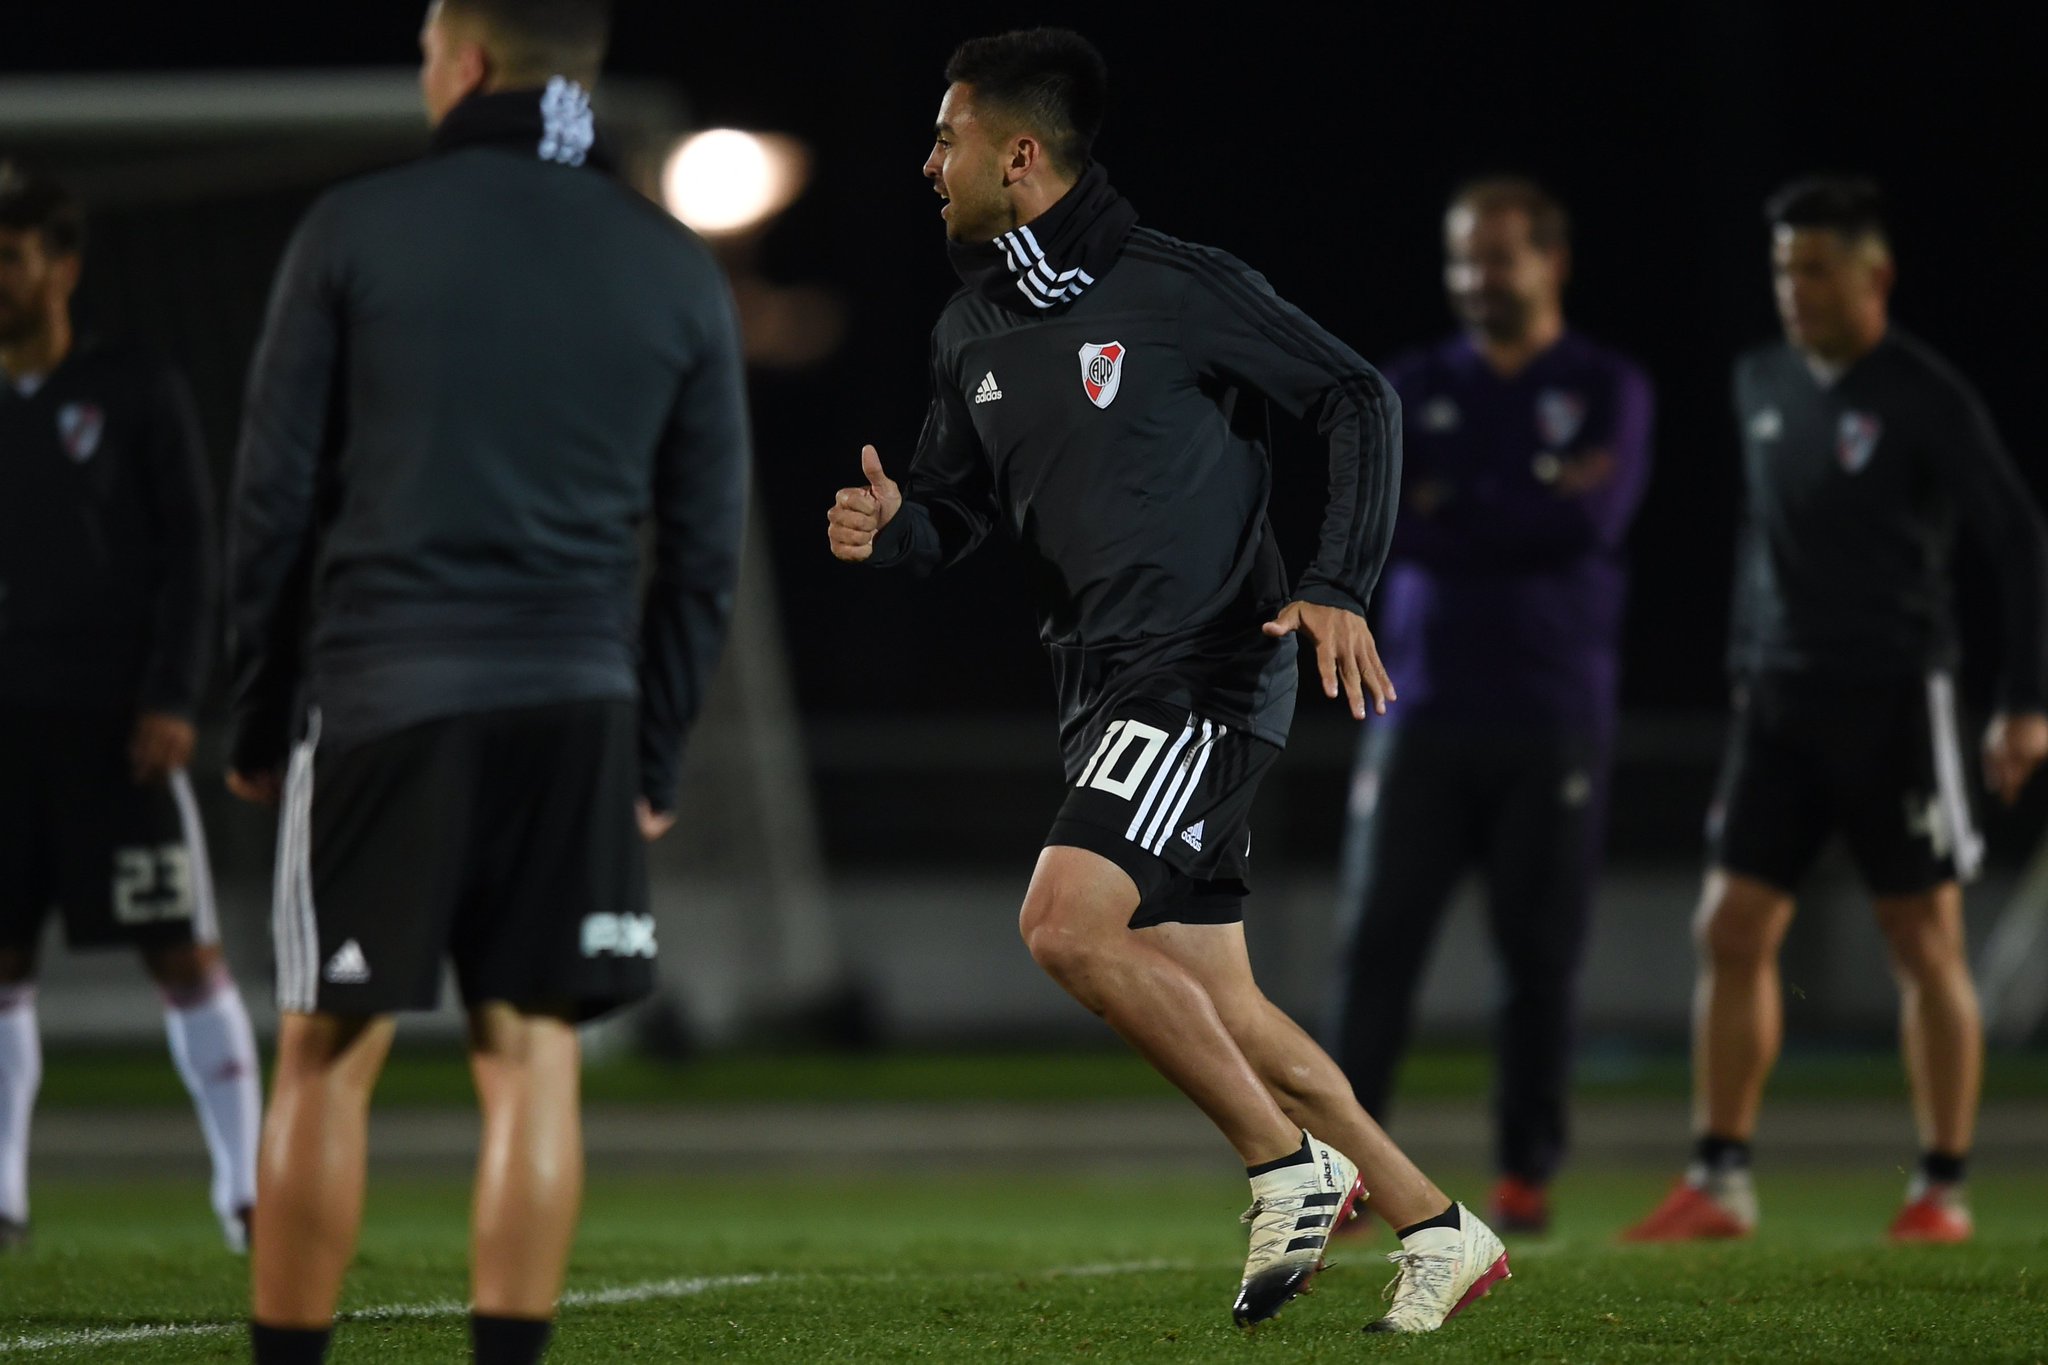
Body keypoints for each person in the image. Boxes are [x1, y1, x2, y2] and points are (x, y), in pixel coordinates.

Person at [827, 27, 1509, 1334]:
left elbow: (1356, 397)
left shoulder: (1177, 286)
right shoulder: (969, 326)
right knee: (1221, 1003)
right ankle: (1436, 1226)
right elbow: (953, 507)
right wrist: (895, 527)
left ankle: (1284, 1167)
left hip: (1205, 666)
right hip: (1096, 686)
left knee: (1063, 924)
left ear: (1018, 155)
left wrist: (1338, 581)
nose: (927, 164)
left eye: (946, 137)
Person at [226, 2, 749, 1360]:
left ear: (464, 62)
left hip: (385, 687)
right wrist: (653, 749)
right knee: (532, 1050)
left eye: (423, 50)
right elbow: (705, 549)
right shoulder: (670, 260)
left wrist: (255, 710)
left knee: (325, 1052)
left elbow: (273, 499)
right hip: (578, 697)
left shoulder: (355, 228)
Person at [1623, 177, 2048, 1246]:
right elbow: (1760, 536)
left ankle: (1941, 1188)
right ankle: (1719, 1180)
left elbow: (2017, 538)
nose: (1794, 289)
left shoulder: (1921, 392)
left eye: (1815, 268)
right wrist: (1743, 658)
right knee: (1729, 927)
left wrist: (2023, 702)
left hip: (1898, 698)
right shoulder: (1758, 379)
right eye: (1782, 268)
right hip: (1776, 698)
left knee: (1922, 937)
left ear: (1874, 277)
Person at [1324, 178, 1653, 1236]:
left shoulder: (1604, 384)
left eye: (1497, 256)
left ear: (1552, 262)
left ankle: (1525, 1174)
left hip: (1552, 713)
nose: (1475, 277)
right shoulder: (1411, 382)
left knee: (1537, 960)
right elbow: (1387, 523)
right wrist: (1528, 499)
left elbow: (1590, 523)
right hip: (1415, 710)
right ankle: (1349, 1173)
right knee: (1376, 952)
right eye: (1462, 256)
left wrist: (1456, 504)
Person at [0, 160, 260, 1255]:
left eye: (10, 257)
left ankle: (247, 1191)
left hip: (117, 729)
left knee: (183, 953)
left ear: (62, 266)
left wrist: (173, 691)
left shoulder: (135, 384)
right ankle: (2, 1199)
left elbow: (193, 550)